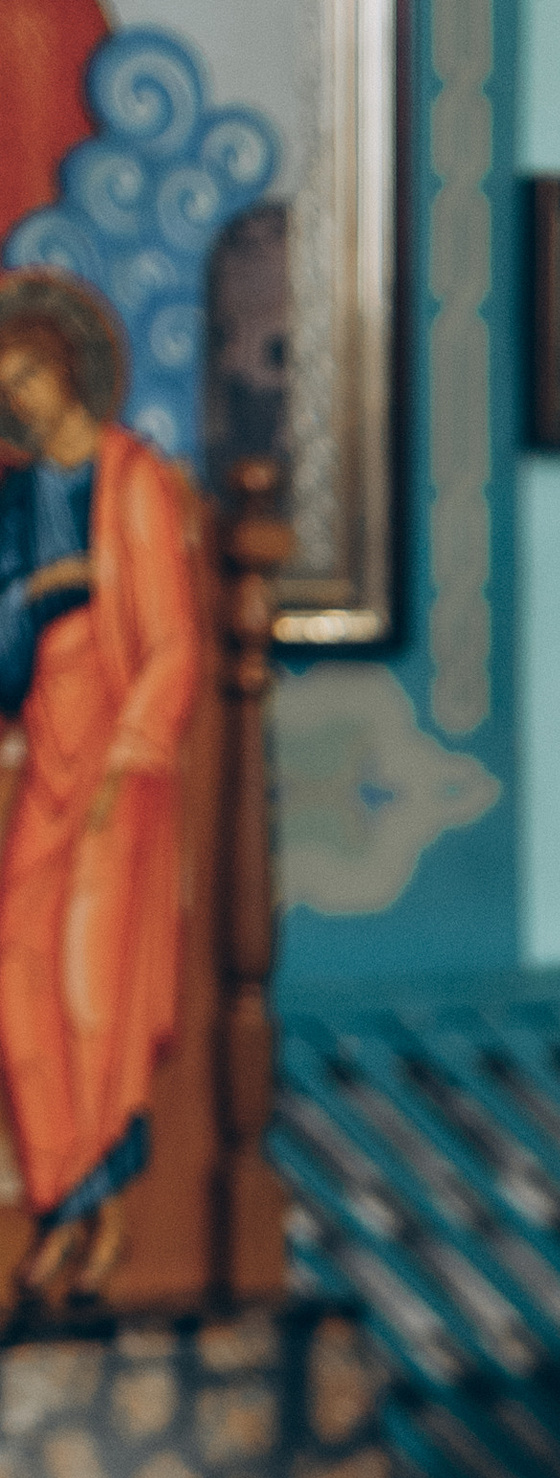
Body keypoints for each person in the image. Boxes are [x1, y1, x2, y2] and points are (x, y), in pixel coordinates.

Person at [0, 272, 201, 1312]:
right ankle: (58, 1208)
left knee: (94, 993)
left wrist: (129, 763)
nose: (22, 397)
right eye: (6, 384)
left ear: (67, 367)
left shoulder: (133, 482)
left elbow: (170, 646)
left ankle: (104, 1225)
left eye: (30, 372)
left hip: (118, 767)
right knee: (20, 980)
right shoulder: (19, 496)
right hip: (47, 753)